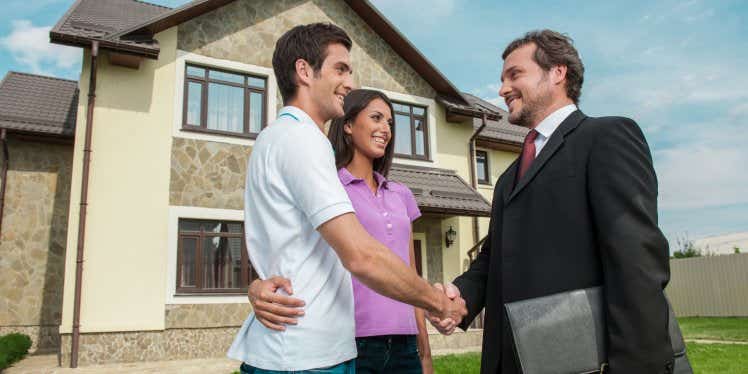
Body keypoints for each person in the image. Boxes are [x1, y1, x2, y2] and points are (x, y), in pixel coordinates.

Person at [428, 29, 675, 374]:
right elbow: (492, 258)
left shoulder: (606, 138)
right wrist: (460, 297)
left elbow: (635, 261)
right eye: (501, 79)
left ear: (557, 73)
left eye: (515, 75)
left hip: (585, 361)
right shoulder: (507, 178)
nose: (502, 89)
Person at [227, 23, 465, 374]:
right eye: (340, 68)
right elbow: (362, 256)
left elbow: (288, 246)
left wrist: (256, 286)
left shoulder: (278, 137)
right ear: (304, 71)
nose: (349, 82)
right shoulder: (302, 140)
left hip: (304, 350)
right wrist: (439, 303)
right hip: (303, 357)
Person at [247, 89, 434, 374]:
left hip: (405, 344)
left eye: (390, 122)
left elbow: (410, 271)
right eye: (376, 118)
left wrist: (425, 353)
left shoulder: (401, 194)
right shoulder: (329, 187)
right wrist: (256, 285)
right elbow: (292, 247)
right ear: (347, 124)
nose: (385, 128)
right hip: (351, 342)